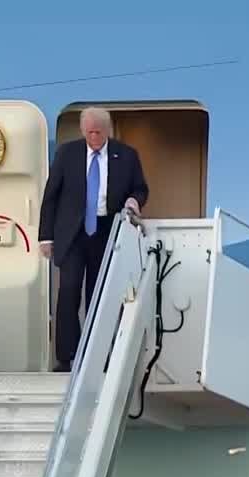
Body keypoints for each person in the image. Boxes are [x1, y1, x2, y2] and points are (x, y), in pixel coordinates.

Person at [38, 106, 149, 372]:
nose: (94, 137)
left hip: (106, 232)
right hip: (73, 235)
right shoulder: (67, 153)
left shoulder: (127, 155)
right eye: (89, 132)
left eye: (98, 132)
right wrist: (45, 236)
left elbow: (140, 188)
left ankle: (100, 353)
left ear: (108, 130)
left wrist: (134, 201)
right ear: (82, 130)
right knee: (68, 291)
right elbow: (51, 195)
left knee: (99, 295)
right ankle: (67, 356)